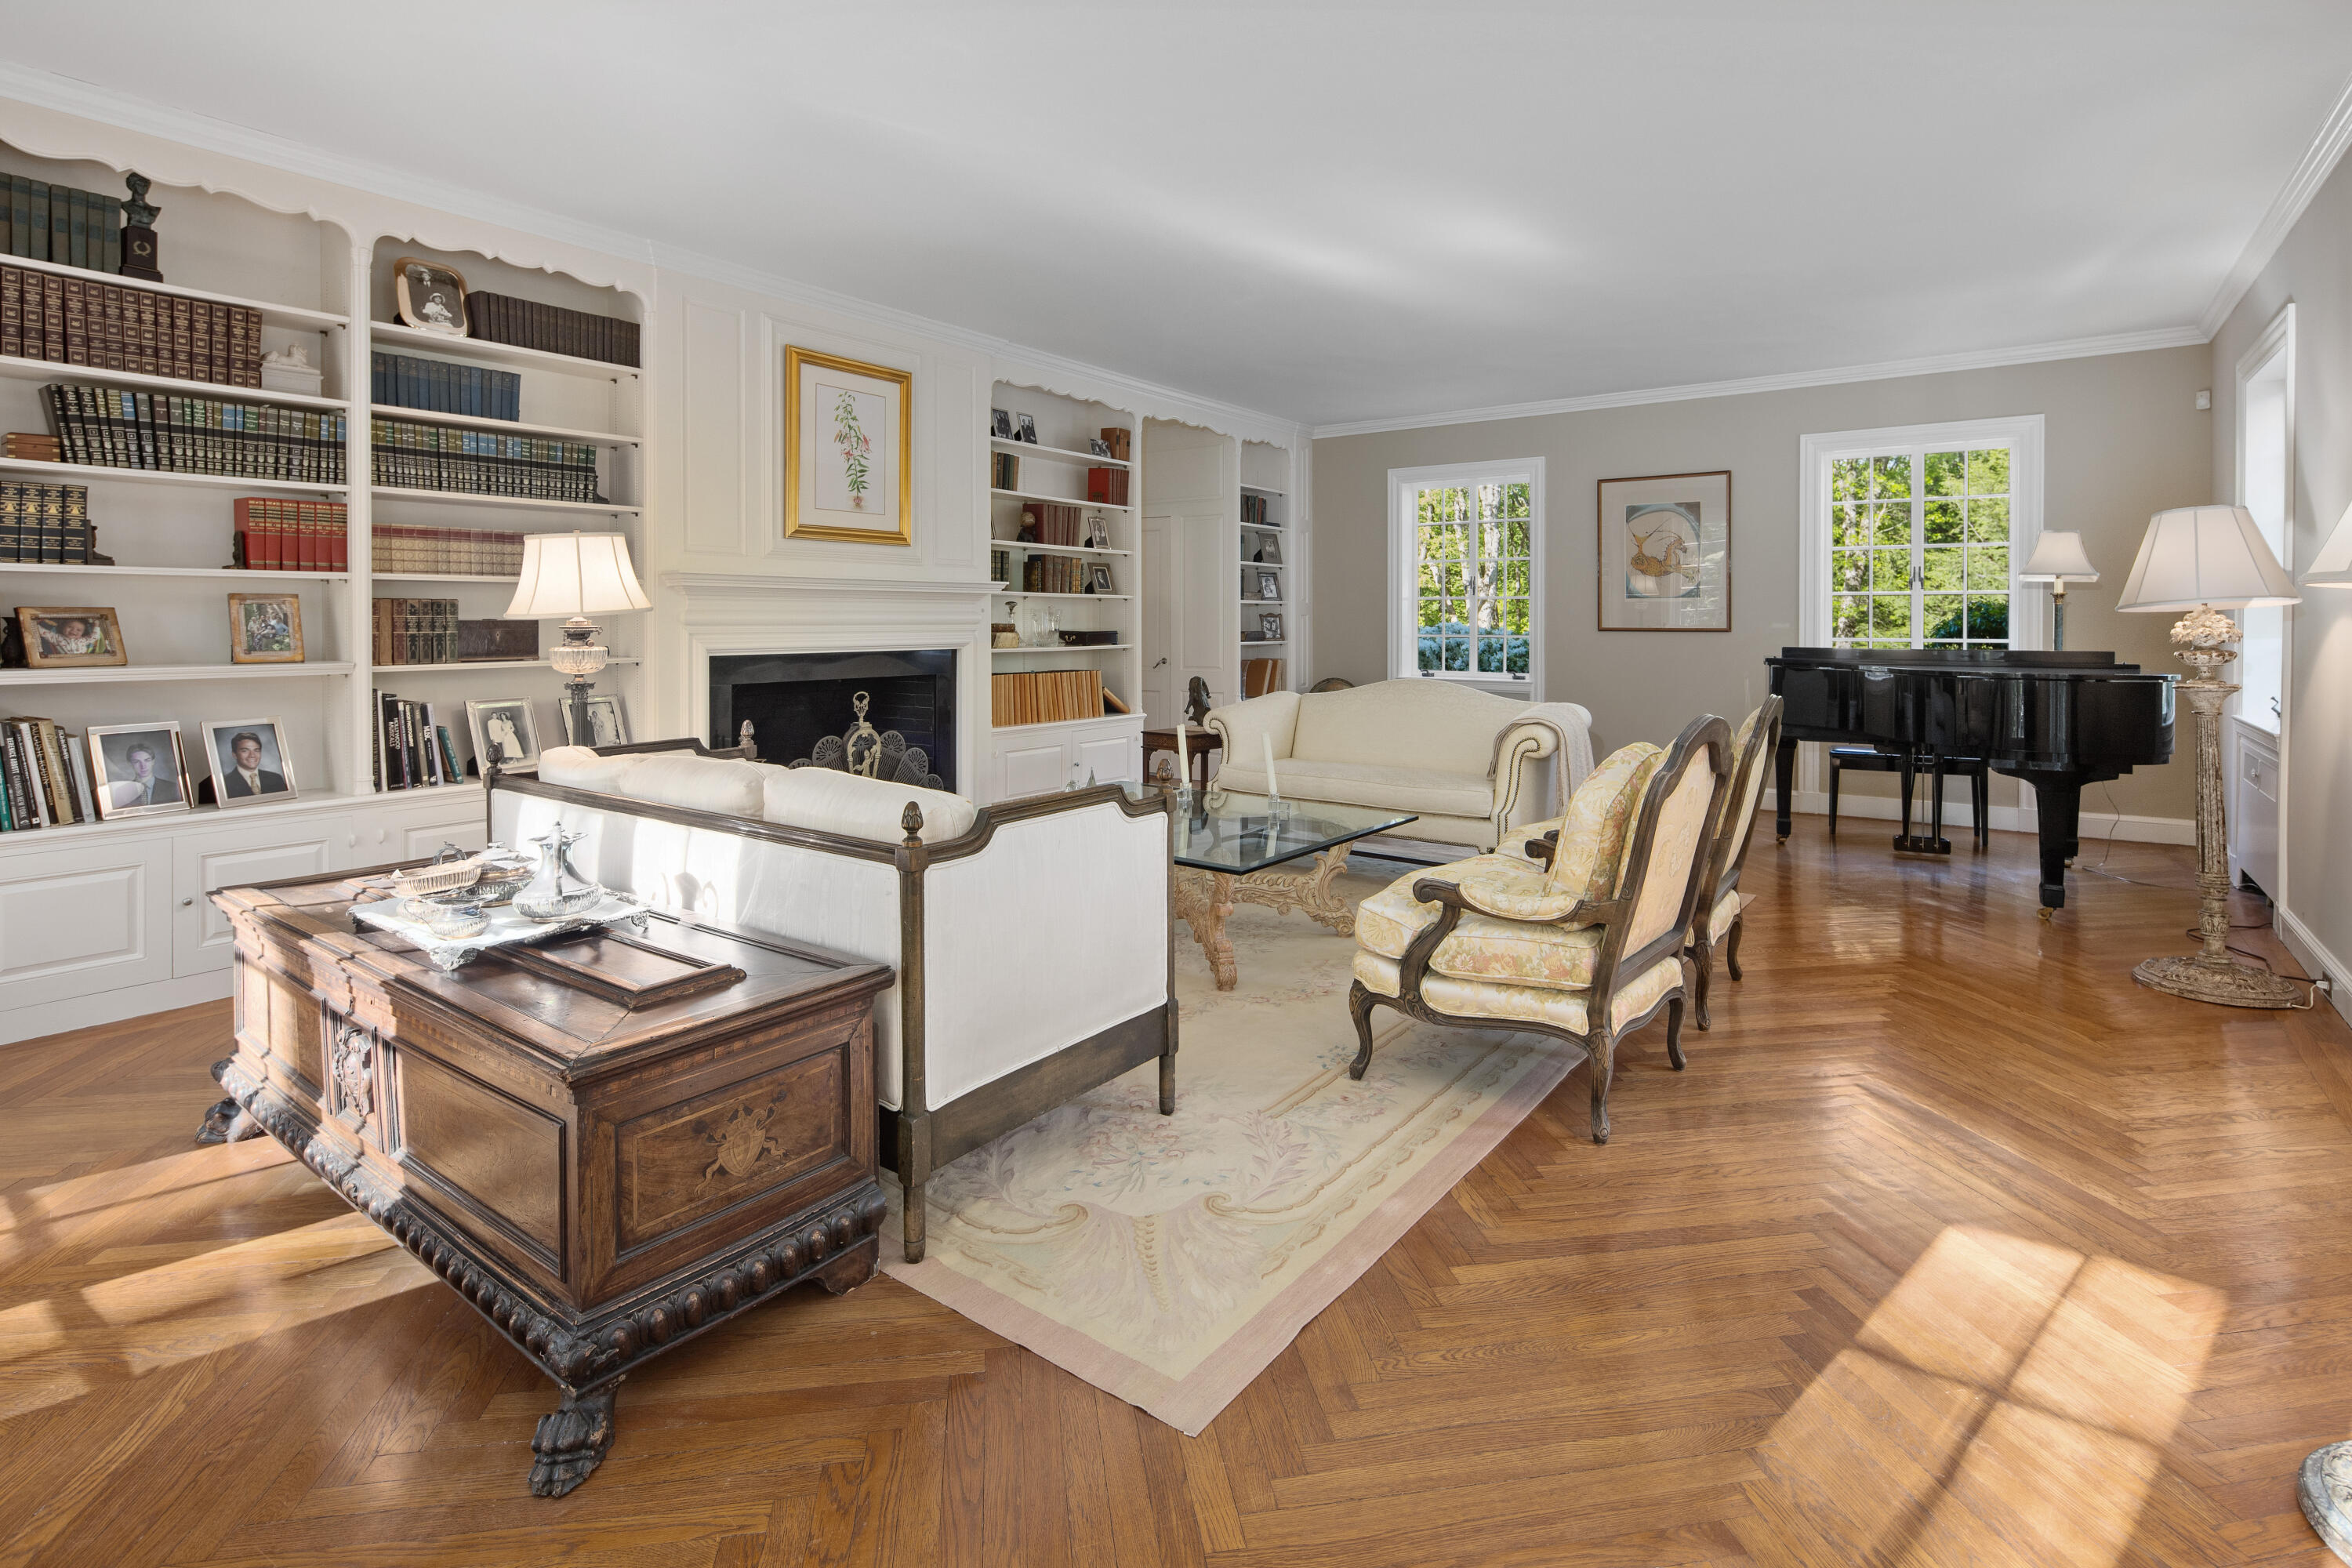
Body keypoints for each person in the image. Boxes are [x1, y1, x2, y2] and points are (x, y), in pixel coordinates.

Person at [220, 731, 286, 799]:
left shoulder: (276, 778)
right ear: (234, 754)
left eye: (256, 750)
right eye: (245, 751)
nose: (252, 755)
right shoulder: (225, 784)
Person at [120, 741, 180, 806]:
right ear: (130, 764)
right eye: (137, 762)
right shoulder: (122, 792)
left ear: (153, 762)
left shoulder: (172, 788)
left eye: (147, 760)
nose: (143, 766)